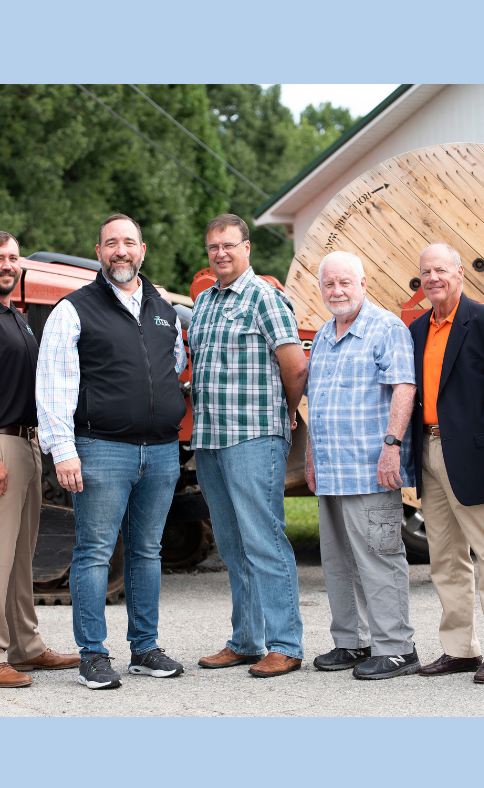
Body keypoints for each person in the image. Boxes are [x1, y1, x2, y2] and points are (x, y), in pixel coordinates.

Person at [36, 214, 186, 690]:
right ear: (98, 252)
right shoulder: (73, 309)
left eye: (128, 243)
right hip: (101, 449)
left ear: (142, 250)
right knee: (95, 553)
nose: (120, 251)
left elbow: (175, 364)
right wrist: (63, 450)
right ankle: (93, 655)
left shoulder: (163, 308)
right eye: (110, 244)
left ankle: (144, 648)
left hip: (161, 451)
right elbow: (53, 384)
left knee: (147, 551)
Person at [0, 230, 78, 688]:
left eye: (13, 257)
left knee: (21, 557)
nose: (7, 264)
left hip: (26, 444)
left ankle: (26, 646)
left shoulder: (15, 316)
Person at [192, 214, 307, 679]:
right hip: (211, 440)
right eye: (213, 247)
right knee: (233, 544)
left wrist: (281, 415)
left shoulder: (265, 297)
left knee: (264, 540)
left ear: (247, 248)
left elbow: (295, 367)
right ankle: (245, 640)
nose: (221, 253)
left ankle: (285, 643)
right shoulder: (203, 303)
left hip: (253, 436)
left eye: (229, 245)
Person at [409, 243, 484, 683]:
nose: (433, 278)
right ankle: (459, 648)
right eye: (426, 272)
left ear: (460, 273)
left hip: (474, 454)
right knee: (444, 557)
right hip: (428, 450)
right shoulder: (418, 328)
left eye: (441, 269)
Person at [304, 251, 420, 680]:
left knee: (379, 556)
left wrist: (392, 447)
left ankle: (396, 647)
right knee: (338, 562)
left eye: (344, 283)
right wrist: (311, 457)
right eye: (329, 284)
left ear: (363, 283)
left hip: (370, 467)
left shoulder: (385, 327)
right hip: (332, 470)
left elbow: (404, 389)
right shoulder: (322, 335)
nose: (336, 291)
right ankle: (353, 642)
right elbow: (315, 401)